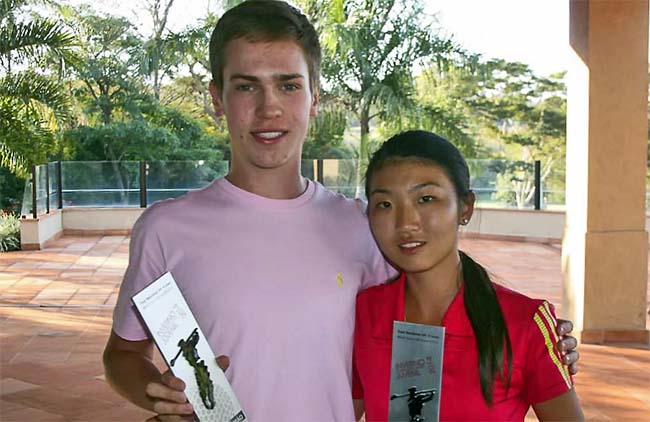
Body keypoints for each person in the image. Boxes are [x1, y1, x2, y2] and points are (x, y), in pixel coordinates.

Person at [102, 1, 579, 421]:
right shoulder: (166, 229)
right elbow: (123, 355)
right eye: (247, 87)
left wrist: (534, 342)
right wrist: (163, 396)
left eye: (289, 85)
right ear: (217, 99)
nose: (269, 108)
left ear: (315, 99)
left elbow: (437, 300)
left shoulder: (362, 225)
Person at [352, 130, 584, 421]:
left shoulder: (525, 324)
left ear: (465, 207)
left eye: (426, 198)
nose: (406, 223)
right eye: (385, 204)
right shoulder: (363, 314)